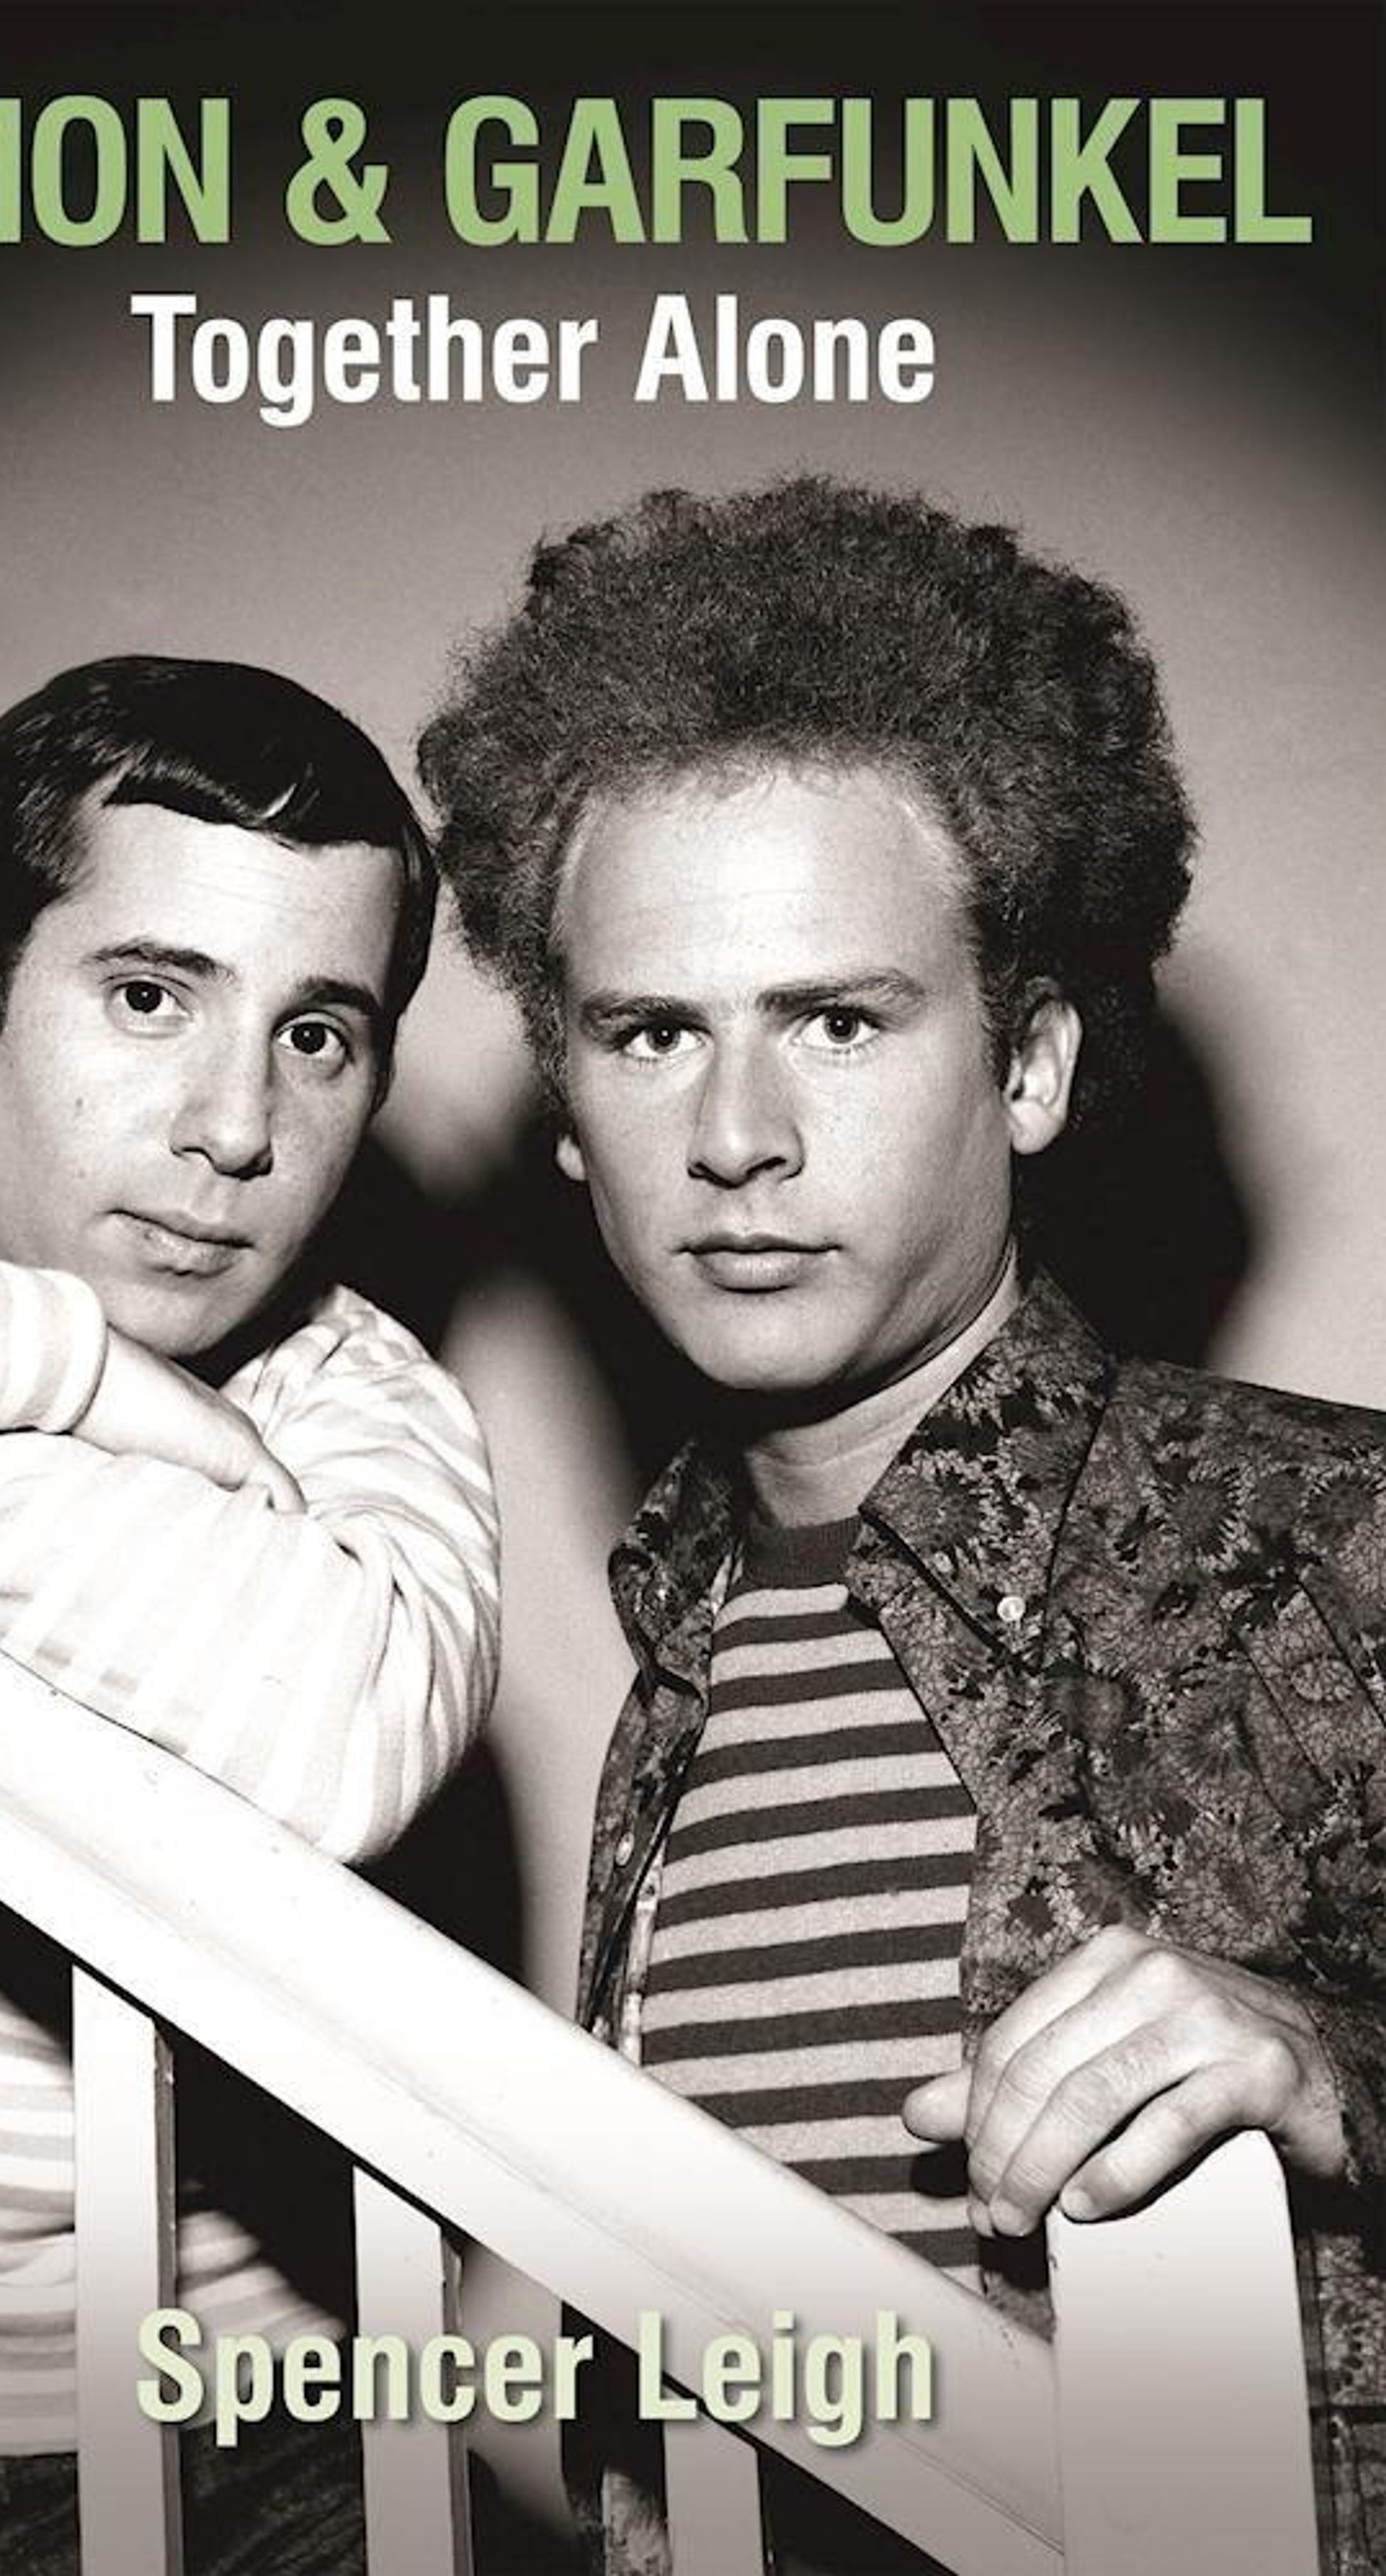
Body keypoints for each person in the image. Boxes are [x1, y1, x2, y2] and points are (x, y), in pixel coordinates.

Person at [419, 479, 1384, 2575]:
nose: (737, 1138)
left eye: (838, 1022)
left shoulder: (1341, 1541)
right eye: (653, 1035)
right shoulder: (678, 1647)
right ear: (570, 1116)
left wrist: (1336, 2067)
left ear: (1029, 1062)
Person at [0, 655, 500, 2572]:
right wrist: (74, 1371)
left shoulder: (358, 1400)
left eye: (320, 1037)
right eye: (150, 997)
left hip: (249, 2435)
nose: (237, 1128)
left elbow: (336, 1731)